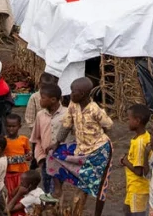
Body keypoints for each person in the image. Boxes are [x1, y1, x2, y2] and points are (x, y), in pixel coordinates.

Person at [55, 77, 114, 216]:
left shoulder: (95, 109)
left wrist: (96, 137)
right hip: (81, 149)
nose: (70, 94)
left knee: (100, 185)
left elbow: (109, 125)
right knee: (55, 158)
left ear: (82, 94)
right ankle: (74, 207)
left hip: (100, 150)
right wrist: (57, 142)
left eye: (73, 92)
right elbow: (67, 124)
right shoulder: (73, 105)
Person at [30, 83, 66, 193]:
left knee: (56, 189)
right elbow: (36, 138)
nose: (39, 100)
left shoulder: (67, 114)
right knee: (46, 188)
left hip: (61, 159)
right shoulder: (40, 115)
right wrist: (39, 157)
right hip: (45, 158)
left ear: (53, 100)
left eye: (42, 98)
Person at [121, 104, 152, 216]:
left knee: (136, 213)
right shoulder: (145, 136)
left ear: (137, 121)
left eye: (129, 119)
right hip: (133, 187)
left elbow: (139, 171)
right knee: (127, 210)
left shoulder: (139, 143)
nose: (127, 122)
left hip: (137, 187)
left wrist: (125, 161)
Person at [4, 113, 32, 196]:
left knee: (22, 193)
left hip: (22, 172)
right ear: (5, 126)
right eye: (9, 126)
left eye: (14, 126)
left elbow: (28, 152)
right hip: (8, 172)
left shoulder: (24, 139)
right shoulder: (3, 141)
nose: (11, 129)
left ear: (19, 126)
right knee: (10, 193)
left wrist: (29, 156)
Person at [24, 72, 57, 139]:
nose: (46, 89)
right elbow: (30, 120)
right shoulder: (34, 97)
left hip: (55, 134)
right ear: (39, 84)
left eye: (50, 86)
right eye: (44, 86)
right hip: (39, 135)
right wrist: (39, 133)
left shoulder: (56, 97)